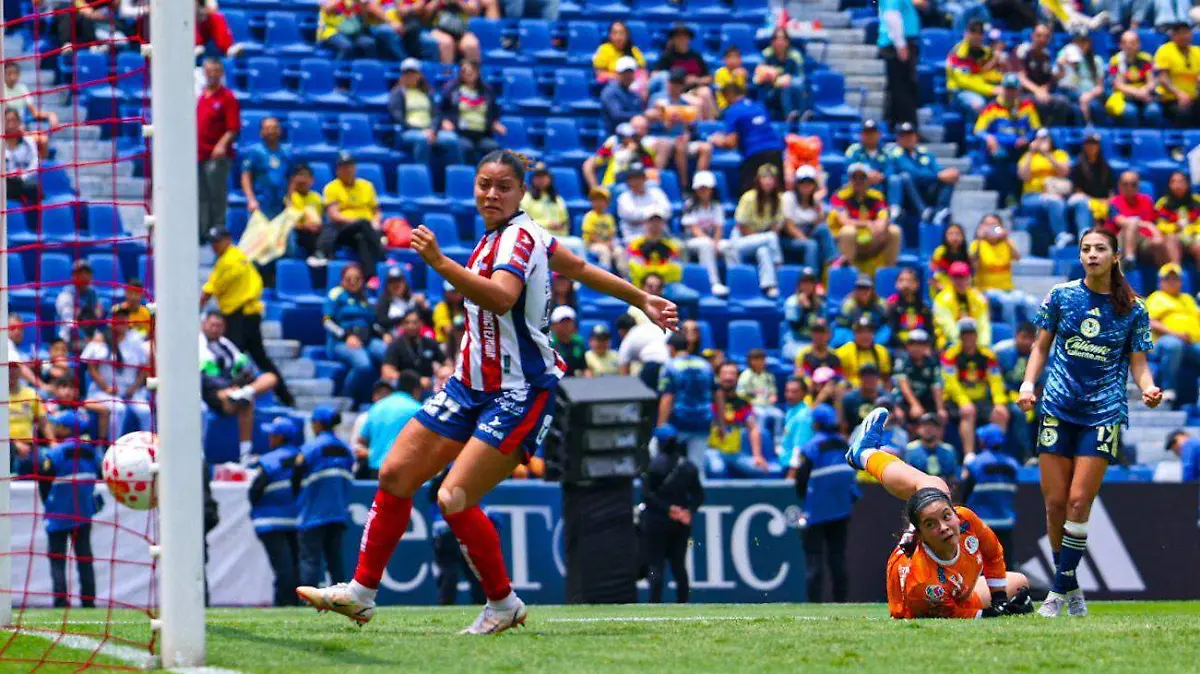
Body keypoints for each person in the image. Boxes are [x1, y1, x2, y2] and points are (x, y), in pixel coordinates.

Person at [296, 150, 678, 633]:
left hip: (519, 391)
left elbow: (500, 298)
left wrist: (439, 262)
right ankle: (361, 592)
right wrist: (640, 297)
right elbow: (580, 267)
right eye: (484, 184)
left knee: (453, 496)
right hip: (468, 385)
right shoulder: (514, 235)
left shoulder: (517, 239)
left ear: (521, 193)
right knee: (394, 473)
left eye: (503, 186)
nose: (491, 194)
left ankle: (502, 603)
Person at [1018, 227, 1161, 617]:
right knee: (1055, 504)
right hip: (1057, 408)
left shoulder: (1134, 308)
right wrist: (1028, 384)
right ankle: (1072, 585)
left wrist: (1148, 388)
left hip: (1103, 413)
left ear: (1115, 256)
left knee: (1079, 501)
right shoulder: (1061, 296)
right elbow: (1040, 346)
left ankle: (1057, 590)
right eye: (1086, 249)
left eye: (1100, 249)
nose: (1092, 255)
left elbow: (1139, 364)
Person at [845, 408, 1033, 619]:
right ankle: (864, 454)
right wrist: (992, 614)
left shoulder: (964, 519)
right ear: (920, 535)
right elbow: (952, 614)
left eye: (946, 516)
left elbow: (993, 553)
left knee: (1019, 582)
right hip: (933, 602)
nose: (944, 527)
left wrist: (999, 600)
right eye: (931, 524)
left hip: (962, 591)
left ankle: (864, 454)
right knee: (934, 485)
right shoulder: (924, 581)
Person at [202, 226, 293, 406]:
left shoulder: (228, 261)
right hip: (250, 315)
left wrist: (194, 311)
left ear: (227, 240)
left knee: (231, 359)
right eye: (213, 242)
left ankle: (232, 398)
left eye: (218, 241)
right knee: (260, 359)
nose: (215, 246)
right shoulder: (239, 255)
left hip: (239, 317)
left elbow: (209, 290)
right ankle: (285, 398)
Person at [792, 404, 856, 603]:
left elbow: (801, 479)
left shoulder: (811, 446)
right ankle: (841, 601)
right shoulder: (845, 444)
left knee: (814, 559)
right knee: (837, 557)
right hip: (842, 509)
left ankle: (814, 603)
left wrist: (804, 499)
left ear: (816, 424)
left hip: (816, 511)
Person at [199, 311, 279, 463]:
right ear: (204, 325)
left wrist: (242, 382)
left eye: (219, 326)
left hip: (236, 387)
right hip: (212, 391)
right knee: (246, 403)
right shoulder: (197, 345)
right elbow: (202, 377)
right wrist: (227, 388)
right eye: (212, 325)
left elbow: (244, 368)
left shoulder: (226, 345)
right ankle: (244, 452)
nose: (215, 329)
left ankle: (245, 393)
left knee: (270, 378)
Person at [38, 410, 98, 609]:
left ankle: (60, 600)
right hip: (83, 512)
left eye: (58, 425)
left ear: (66, 429)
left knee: (57, 558)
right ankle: (88, 600)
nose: (54, 427)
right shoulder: (91, 451)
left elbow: (44, 480)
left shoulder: (56, 452)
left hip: (58, 513)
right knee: (84, 557)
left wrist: (48, 504)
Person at [640, 425, 704, 603]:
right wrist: (687, 511)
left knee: (656, 565)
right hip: (680, 524)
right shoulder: (688, 467)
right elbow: (699, 495)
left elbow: (647, 496)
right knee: (679, 567)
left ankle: (654, 604)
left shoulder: (653, 466)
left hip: (656, 522)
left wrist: (669, 510)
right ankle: (683, 604)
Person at [293, 405, 354, 589]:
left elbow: (296, 475)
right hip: (338, 513)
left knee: (310, 561)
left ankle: (308, 600)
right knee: (335, 562)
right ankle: (340, 600)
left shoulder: (310, 448)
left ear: (318, 424)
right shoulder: (346, 449)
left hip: (314, 514)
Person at [248, 417, 302, 607]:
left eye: (272, 434)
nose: (269, 438)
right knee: (295, 566)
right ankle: (294, 604)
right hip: (298, 520)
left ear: (279, 437)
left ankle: (284, 604)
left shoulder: (268, 461)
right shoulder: (303, 457)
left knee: (283, 568)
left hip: (270, 521)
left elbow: (254, 492)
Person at [942, 317, 1009, 458]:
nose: (968, 337)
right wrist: (963, 401)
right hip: (956, 401)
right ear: (959, 336)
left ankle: (997, 453)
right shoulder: (950, 355)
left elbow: (996, 381)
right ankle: (969, 455)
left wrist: (999, 402)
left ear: (976, 335)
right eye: (964, 334)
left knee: (1001, 413)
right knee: (968, 412)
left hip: (981, 399)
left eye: (971, 333)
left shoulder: (987, 355)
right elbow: (951, 383)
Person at [390, 59, 464, 183]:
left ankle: (457, 181)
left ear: (419, 75)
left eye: (413, 73)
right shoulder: (397, 93)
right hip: (409, 132)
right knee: (422, 139)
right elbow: (398, 117)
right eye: (407, 73)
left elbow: (437, 115)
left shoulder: (427, 93)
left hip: (430, 131)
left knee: (452, 139)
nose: (410, 76)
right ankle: (422, 181)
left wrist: (433, 130)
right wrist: (421, 130)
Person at [957, 423, 1020, 568]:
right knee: (1006, 565)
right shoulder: (1013, 464)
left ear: (983, 441)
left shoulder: (976, 463)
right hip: (1005, 522)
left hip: (981, 524)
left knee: (980, 566)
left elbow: (965, 493)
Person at [80, 308, 150, 436]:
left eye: (124, 318)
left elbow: (144, 368)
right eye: (118, 318)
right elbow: (91, 367)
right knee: (118, 408)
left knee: (145, 411)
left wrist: (134, 388)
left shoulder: (135, 340)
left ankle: (148, 443)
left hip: (130, 391)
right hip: (103, 391)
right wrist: (105, 388)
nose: (121, 321)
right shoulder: (101, 339)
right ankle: (113, 445)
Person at [317, 152, 388, 274]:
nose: (347, 170)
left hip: (365, 230)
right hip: (343, 229)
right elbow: (333, 215)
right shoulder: (332, 188)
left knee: (362, 239)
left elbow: (376, 211)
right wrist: (357, 221)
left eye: (349, 166)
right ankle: (383, 256)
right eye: (343, 167)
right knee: (363, 223)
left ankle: (370, 277)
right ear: (337, 170)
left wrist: (375, 222)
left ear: (355, 168)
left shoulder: (367, 186)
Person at [708, 83, 785, 194]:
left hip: (754, 153)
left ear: (729, 95)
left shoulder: (733, 110)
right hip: (776, 151)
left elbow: (731, 143)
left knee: (750, 194)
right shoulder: (759, 106)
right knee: (778, 192)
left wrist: (717, 140)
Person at [975, 73, 1040, 203]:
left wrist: (1027, 138)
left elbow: (1036, 128)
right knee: (1001, 161)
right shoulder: (992, 108)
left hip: (1021, 147)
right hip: (1000, 148)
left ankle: (1021, 198)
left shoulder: (1027, 106)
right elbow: (979, 130)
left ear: (1018, 90)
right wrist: (989, 138)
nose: (1010, 92)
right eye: (1007, 88)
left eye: (1013, 89)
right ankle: (1004, 198)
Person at [657, 331, 718, 468]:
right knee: (697, 466)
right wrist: (721, 423)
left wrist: (661, 425)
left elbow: (667, 397)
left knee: (661, 457)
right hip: (702, 421)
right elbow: (717, 393)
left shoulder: (669, 367)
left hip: (678, 422)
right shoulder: (705, 365)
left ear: (671, 348)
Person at [324, 263, 381, 406]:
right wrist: (346, 336)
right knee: (364, 364)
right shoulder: (336, 294)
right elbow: (327, 322)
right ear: (342, 280)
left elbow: (373, 323)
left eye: (357, 279)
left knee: (388, 352)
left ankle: (385, 396)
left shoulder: (366, 297)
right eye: (349, 279)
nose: (353, 282)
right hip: (341, 342)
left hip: (366, 340)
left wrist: (385, 334)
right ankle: (346, 397)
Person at [829, 163, 900, 275]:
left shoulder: (877, 196)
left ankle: (889, 273)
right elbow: (844, 221)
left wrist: (880, 225)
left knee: (894, 230)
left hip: (872, 240)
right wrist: (867, 224)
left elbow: (883, 216)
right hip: (849, 242)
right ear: (849, 179)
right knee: (848, 231)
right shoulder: (839, 196)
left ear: (868, 180)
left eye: (862, 177)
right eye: (854, 177)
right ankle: (848, 273)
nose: (858, 181)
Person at [1145, 263, 1200, 405]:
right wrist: (1176, 334)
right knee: (1173, 345)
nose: (1172, 282)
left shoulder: (1187, 299)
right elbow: (1151, 322)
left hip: (1191, 343)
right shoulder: (1156, 298)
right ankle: (1168, 389)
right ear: (1161, 282)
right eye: (1168, 279)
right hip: (1163, 342)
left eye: (1175, 279)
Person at [196, 58, 239, 240]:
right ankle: (202, 230)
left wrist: (222, 145)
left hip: (216, 156)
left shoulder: (227, 97)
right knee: (201, 195)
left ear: (221, 73)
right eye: (209, 71)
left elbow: (233, 128)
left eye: (216, 71)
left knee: (217, 195)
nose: (212, 74)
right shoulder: (201, 95)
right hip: (199, 154)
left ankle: (217, 231)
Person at [727, 164, 785, 297]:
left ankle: (769, 286)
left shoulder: (778, 199)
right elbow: (742, 227)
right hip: (741, 241)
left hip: (762, 242)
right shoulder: (749, 197)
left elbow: (776, 226)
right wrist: (762, 238)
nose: (768, 181)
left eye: (771, 178)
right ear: (758, 180)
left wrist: (761, 239)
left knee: (764, 251)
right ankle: (779, 266)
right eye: (764, 178)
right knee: (771, 237)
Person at [1019, 128, 1080, 251]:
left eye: (1044, 138)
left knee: (1080, 202)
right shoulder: (1027, 156)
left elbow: (1064, 172)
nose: (1041, 141)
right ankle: (1061, 235)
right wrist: (1031, 153)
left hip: (1058, 193)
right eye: (1038, 139)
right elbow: (1024, 176)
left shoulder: (1059, 154)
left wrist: (1048, 154)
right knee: (1054, 201)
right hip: (1032, 196)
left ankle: (1084, 236)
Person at [355, 371, 423, 480]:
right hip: (402, 471)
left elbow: (361, 439)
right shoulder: (418, 409)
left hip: (375, 471)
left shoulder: (377, 406)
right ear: (416, 390)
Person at [888, 122, 957, 224]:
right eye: (904, 136)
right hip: (908, 196)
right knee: (905, 176)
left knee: (949, 177)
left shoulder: (925, 153)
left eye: (910, 135)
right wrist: (937, 176)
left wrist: (947, 173)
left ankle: (941, 211)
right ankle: (923, 211)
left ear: (916, 137)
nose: (908, 138)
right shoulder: (895, 155)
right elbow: (913, 173)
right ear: (898, 139)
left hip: (927, 190)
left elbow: (938, 170)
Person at [709, 361, 770, 477]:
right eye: (725, 373)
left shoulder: (743, 403)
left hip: (735, 453)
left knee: (759, 470)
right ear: (718, 377)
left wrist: (757, 455)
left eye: (732, 374)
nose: (728, 377)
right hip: (713, 451)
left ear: (737, 378)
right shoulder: (708, 400)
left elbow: (753, 428)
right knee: (717, 469)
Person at [436, 59, 502, 164]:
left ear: (477, 72)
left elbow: (494, 111)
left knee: (493, 148)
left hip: (482, 134)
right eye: (464, 71)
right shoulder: (452, 89)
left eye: (471, 71)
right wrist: (444, 121)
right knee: (466, 147)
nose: (468, 73)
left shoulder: (487, 91)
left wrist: (495, 122)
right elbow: (441, 110)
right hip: (461, 133)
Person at [1012, 23, 1073, 126]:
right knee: (1038, 103)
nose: (1042, 39)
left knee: (1062, 102)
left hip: (1042, 93)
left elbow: (1050, 79)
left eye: (1046, 36)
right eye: (1039, 35)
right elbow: (1021, 77)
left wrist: (1061, 68)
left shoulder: (1047, 55)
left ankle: (1055, 131)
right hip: (1024, 93)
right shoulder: (1022, 51)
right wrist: (1037, 91)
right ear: (1032, 36)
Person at [680, 171, 728, 296]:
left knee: (728, 246)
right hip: (690, 242)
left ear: (711, 189)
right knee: (705, 244)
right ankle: (713, 283)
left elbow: (719, 228)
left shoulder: (716, 206)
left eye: (706, 188)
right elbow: (694, 229)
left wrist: (716, 243)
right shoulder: (689, 205)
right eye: (700, 189)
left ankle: (735, 281)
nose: (703, 191)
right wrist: (712, 244)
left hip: (712, 241)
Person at [781, 165, 835, 271]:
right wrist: (805, 239)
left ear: (814, 185)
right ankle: (811, 277)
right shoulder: (788, 197)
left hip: (808, 232)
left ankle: (833, 263)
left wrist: (818, 207)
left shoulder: (815, 201)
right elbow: (789, 227)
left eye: (809, 182)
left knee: (823, 229)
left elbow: (818, 224)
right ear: (797, 184)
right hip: (789, 238)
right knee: (811, 245)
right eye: (802, 182)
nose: (806, 185)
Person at [1108, 170, 1167, 267]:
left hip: (1144, 241)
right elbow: (1121, 221)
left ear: (1138, 186)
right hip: (1121, 239)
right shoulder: (1114, 202)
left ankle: (1165, 272)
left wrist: (1157, 234)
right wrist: (1148, 225)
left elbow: (1157, 220)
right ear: (1119, 186)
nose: (1129, 188)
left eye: (1133, 184)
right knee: (1131, 224)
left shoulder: (1146, 200)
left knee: (1159, 242)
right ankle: (1129, 259)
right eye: (1125, 184)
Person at [947, 19, 1004, 118]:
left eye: (980, 32)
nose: (976, 36)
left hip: (982, 86)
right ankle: (974, 127)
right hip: (960, 91)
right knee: (979, 104)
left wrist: (1002, 79)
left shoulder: (985, 52)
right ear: (966, 33)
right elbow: (965, 82)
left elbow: (986, 73)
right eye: (973, 31)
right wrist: (992, 89)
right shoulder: (958, 54)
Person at [877, 0, 922, 128]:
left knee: (898, 87)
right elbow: (891, 15)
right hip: (897, 44)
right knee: (903, 88)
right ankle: (906, 128)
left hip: (897, 43)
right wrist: (900, 44)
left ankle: (894, 125)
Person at [521, 164, 582, 256]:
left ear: (549, 178)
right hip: (537, 238)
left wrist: (560, 225)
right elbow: (523, 222)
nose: (541, 180)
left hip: (559, 238)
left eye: (544, 176)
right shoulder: (526, 198)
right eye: (538, 176)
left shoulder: (557, 199)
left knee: (578, 243)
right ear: (533, 179)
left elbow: (565, 221)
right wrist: (547, 225)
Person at [1106, 30, 1161, 127]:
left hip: (1144, 95)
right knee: (1130, 112)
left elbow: (1151, 81)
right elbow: (1118, 85)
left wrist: (1144, 90)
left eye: (1132, 42)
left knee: (1154, 111)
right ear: (1120, 45)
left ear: (1139, 44)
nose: (1129, 46)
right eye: (1125, 43)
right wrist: (1137, 93)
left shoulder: (1146, 58)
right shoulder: (1116, 60)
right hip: (1125, 97)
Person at [933, 261, 992, 349]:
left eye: (964, 277)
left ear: (970, 278)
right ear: (950, 279)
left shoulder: (978, 298)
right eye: (956, 278)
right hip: (950, 343)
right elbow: (949, 329)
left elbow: (983, 326)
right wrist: (966, 346)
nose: (961, 281)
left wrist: (982, 345)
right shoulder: (942, 300)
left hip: (977, 345)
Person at [240, 116, 291, 218]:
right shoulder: (255, 152)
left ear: (280, 131)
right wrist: (251, 199)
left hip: (281, 203)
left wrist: (289, 197)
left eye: (274, 128)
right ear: (261, 132)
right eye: (267, 128)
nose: (271, 131)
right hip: (261, 202)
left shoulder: (287, 152)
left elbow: (291, 176)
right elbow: (246, 176)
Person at [381, 309, 445, 389]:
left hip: (427, 387)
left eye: (415, 322)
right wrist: (415, 381)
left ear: (421, 323)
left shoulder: (430, 343)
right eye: (407, 323)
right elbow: (386, 371)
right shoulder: (395, 345)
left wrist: (441, 373)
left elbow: (446, 363)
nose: (411, 326)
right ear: (402, 325)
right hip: (404, 388)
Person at [894, 329, 945, 425]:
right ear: (907, 346)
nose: (916, 348)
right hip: (904, 401)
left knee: (941, 416)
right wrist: (915, 405)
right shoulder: (902, 361)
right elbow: (903, 385)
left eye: (920, 344)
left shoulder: (932, 363)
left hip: (925, 399)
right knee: (899, 415)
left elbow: (937, 386)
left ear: (926, 346)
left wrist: (940, 408)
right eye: (912, 344)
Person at [1056, 29, 1107, 125]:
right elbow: (1059, 80)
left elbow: (1100, 87)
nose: (1081, 44)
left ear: (1089, 43)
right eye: (1078, 42)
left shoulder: (1097, 61)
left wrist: (1088, 95)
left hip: (1090, 96)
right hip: (1071, 94)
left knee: (1095, 106)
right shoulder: (1065, 55)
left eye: (1084, 41)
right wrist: (1062, 66)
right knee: (1075, 109)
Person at [1154, 22, 1200, 127]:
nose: (1183, 36)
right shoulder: (1165, 50)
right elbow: (1162, 78)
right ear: (1173, 36)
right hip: (1171, 99)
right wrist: (1179, 94)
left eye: (1186, 33)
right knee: (1184, 112)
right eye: (1179, 33)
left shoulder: (1197, 52)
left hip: (1194, 97)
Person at [755, 27, 805, 121]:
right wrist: (775, 79)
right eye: (777, 39)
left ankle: (803, 115)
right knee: (785, 87)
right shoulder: (767, 55)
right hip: (771, 90)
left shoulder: (794, 56)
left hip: (792, 88)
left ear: (787, 42)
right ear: (772, 42)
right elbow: (757, 77)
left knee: (799, 85)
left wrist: (788, 79)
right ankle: (789, 116)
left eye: (783, 39)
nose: (779, 42)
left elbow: (800, 77)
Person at [1067, 130, 1112, 235]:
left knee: (1111, 207)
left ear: (1099, 146)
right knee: (1085, 205)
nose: (1091, 147)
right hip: (1085, 199)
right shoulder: (1078, 166)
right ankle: (1084, 237)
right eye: (1088, 144)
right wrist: (1093, 201)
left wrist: (1108, 200)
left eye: (1094, 144)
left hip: (1103, 201)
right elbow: (1077, 190)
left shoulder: (1106, 166)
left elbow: (1111, 190)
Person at [615, 163, 671, 243]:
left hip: (660, 236)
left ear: (644, 179)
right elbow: (631, 215)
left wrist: (652, 216)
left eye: (638, 178)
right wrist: (653, 212)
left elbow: (667, 211)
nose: (635, 181)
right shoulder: (624, 197)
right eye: (632, 179)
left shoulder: (656, 192)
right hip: (635, 237)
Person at [55, 259, 104, 349]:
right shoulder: (66, 296)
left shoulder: (93, 293)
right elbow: (69, 323)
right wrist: (87, 338)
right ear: (73, 277)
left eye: (87, 273)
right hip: (68, 339)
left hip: (89, 337)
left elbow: (97, 317)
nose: (84, 276)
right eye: (80, 273)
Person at [1155, 171, 1200, 267]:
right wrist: (1175, 227)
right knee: (1171, 239)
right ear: (1169, 185)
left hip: (1194, 237)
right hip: (1173, 237)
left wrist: (1191, 230)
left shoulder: (1197, 201)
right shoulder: (1163, 203)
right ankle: (1176, 272)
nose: (1177, 185)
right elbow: (1159, 225)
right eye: (1173, 182)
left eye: (1181, 182)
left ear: (1187, 184)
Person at [782, 268, 826, 362]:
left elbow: (824, 327)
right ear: (799, 284)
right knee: (808, 357)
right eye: (804, 282)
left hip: (814, 343)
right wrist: (806, 310)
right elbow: (796, 328)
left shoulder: (819, 303)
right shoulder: (792, 302)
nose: (807, 286)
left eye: (810, 282)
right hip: (794, 343)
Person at [375, 267, 430, 342]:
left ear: (404, 283)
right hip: (394, 338)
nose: (396, 285)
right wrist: (404, 317)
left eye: (399, 282)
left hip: (416, 336)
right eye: (392, 282)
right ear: (387, 285)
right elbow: (382, 322)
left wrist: (424, 308)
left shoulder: (413, 300)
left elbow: (427, 320)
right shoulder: (384, 301)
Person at [836, 315, 892, 389]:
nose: (865, 336)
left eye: (868, 332)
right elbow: (837, 379)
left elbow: (886, 378)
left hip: (876, 390)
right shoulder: (843, 352)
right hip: (852, 390)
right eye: (860, 332)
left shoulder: (882, 351)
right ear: (854, 334)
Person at [7, 366, 43, 477]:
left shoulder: (31, 394)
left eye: (15, 367)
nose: (12, 371)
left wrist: (53, 442)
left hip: (29, 447)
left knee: (47, 458)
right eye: (9, 367)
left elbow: (44, 422)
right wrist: (14, 445)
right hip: (5, 447)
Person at [886, 267, 933, 348]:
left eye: (909, 281)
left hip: (922, 347)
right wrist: (908, 347)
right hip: (900, 348)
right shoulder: (893, 307)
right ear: (896, 284)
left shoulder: (924, 308)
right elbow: (893, 333)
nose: (905, 284)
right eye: (901, 280)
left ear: (917, 284)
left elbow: (930, 331)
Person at [904, 412, 958, 482]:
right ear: (918, 429)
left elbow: (953, 476)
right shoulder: (910, 449)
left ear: (940, 430)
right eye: (925, 425)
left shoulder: (948, 450)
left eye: (932, 426)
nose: (928, 429)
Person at [2, 109, 41, 204]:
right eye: (7, 121)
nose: (11, 125)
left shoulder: (29, 141)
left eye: (14, 120)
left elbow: (34, 163)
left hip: (24, 181)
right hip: (5, 182)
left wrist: (23, 176)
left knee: (33, 186)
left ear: (19, 122)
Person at [582, 187, 624, 274]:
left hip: (607, 243)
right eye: (595, 200)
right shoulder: (589, 216)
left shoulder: (609, 217)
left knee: (619, 251)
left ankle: (624, 276)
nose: (599, 203)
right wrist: (604, 244)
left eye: (602, 200)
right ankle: (605, 275)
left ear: (607, 203)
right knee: (604, 251)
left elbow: (612, 234)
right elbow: (591, 235)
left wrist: (610, 243)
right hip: (592, 245)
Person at [600, 56, 646, 133]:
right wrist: (643, 115)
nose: (628, 76)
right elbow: (617, 115)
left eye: (630, 72)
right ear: (618, 73)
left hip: (635, 132)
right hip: (614, 134)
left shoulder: (634, 94)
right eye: (624, 73)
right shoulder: (610, 91)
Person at [593, 21, 646, 86]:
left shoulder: (634, 50)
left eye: (621, 33)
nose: (618, 37)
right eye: (615, 33)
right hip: (612, 85)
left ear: (627, 35)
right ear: (610, 35)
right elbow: (599, 74)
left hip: (634, 85)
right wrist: (621, 77)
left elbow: (642, 72)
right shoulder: (604, 49)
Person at [930, 222, 971, 296]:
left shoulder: (967, 254)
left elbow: (970, 276)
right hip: (942, 289)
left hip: (961, 290)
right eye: (950, 234)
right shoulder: (940, 252)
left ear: (963, 237)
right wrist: (940, 287)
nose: (954, 237)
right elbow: (931, 274)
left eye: (958, 234)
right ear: (945, 237)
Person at [549, 306, 587, 377]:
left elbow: (584, 368)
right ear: (554, 325)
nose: (566, 325)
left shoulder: (579, 342)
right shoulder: (549, 344)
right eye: (562, 322)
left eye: (569, 322)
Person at [713, 46, 749, 113]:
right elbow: (721, 94)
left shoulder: (743, 73)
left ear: (740, 60)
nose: (733, 60)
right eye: (730, 57)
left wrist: (746, 78)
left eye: (736, 57)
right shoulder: (720, 73)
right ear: (724, 59)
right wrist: (733, 77)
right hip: (724, 107)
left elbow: (744, 94)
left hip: (741, 106)